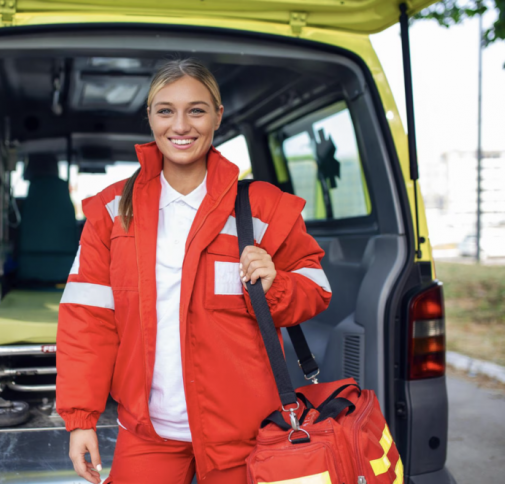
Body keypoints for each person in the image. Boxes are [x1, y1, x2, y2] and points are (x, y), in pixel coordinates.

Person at [57, 59, 332, 484]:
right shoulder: (111, 213)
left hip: (247, 434)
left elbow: (317, 288)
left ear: (218, 116)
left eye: (196, 110)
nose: (180, 125)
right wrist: (80, 419)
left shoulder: (263, 207)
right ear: (149, 116)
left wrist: (278, 284)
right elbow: (86, 321)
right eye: (165, 110)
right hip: (149, 433)